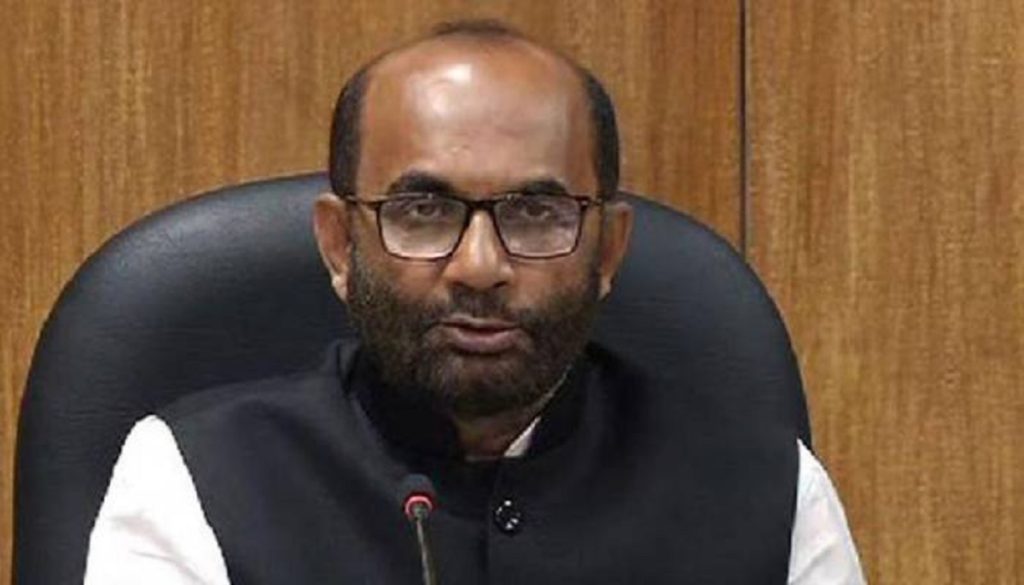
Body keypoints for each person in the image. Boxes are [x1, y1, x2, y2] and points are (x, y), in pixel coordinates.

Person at [84, 20, 865, 584]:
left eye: (535, 212)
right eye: (423, 211)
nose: (480, 266)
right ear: (339, 244)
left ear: (609, 250)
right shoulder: (195, 477)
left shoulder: (767, 490)